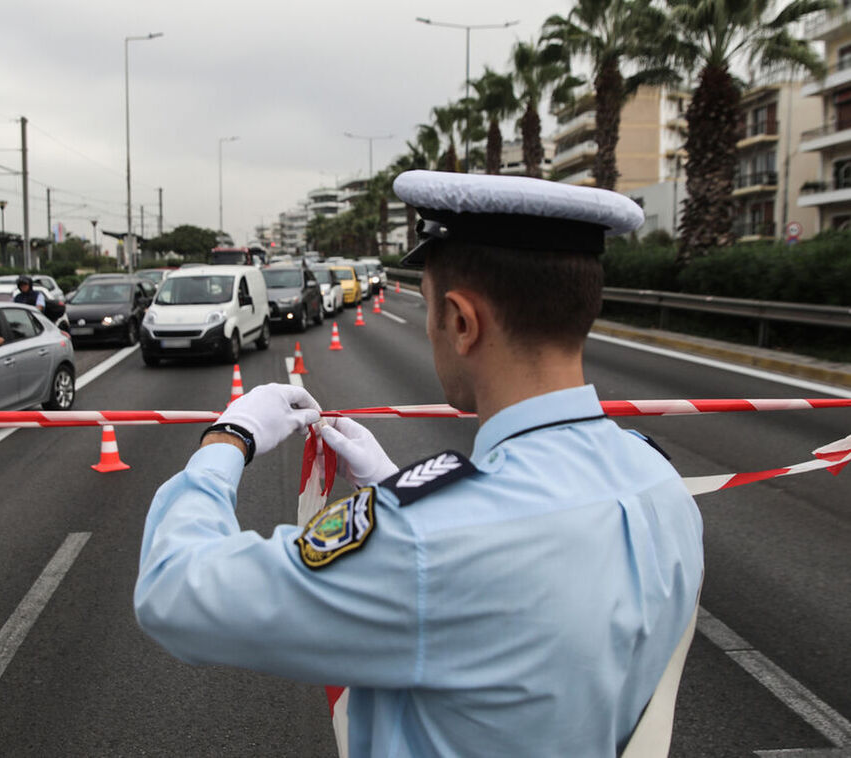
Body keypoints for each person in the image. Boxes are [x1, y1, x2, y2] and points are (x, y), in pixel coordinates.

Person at [134, 170, 704, 757]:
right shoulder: (657, 481)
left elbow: (176, 592)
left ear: (461, 322)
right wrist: (391, 485)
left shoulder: (424, 540)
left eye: (431, 310)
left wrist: (229, 438)